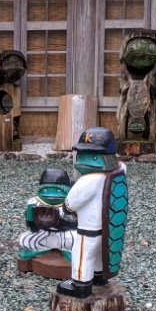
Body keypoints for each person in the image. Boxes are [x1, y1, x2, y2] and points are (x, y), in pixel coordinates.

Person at [57, 128, 128, 299]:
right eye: (82, 154)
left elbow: (71, 203)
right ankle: (98, 276)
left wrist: (64, 210)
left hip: (88, 229)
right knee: (100, 254)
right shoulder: (119, 171)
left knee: (82, 254)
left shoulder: (88, 180)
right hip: (107, 228)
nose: (83, 160)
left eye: (91, 156)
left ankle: (80, 284)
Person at [18, 168, 76, 261]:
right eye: (45, 190)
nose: (51, 194)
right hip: (44, 233)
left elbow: (77, 224)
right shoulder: (34, 202)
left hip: (65, 234)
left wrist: (59, 222)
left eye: (58, 191)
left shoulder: (71, 203)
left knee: (78, 239)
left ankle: (68, 251)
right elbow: (32, 227)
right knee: (24, 239)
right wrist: (32, 218)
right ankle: (41, 249)